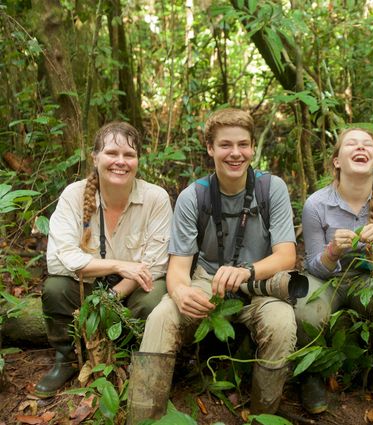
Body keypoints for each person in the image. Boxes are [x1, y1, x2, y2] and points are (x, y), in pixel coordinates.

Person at [132, 108, 297, 419]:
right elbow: (178, 270)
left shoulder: (270, 188)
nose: (235, 153)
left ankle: (264, 413)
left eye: (243, 144)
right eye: (225, 145)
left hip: (259, 283)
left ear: (252, 147)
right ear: (210, 148)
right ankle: (143, 416)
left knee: (282, 323)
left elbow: (287, 256)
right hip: (207, 280)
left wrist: (246, 271)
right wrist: (181, 293)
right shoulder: (194, 196)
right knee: (162, 316)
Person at [36, 121, 172, 398]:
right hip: (86, 284)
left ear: (137, 161)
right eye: (112, 153)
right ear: (95, 157)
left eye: (129, 155)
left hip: (130, 288)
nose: (120, 162)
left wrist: (113, 294)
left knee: (153, 296)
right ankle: (67, 358)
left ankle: (130, 356)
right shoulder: (74, 196)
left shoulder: (155, 198)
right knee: (55, 288)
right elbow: (64, 259)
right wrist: (119, 265)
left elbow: (156, 264)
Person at [294, 128, 373, 413]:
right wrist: (332, 251)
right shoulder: (316, 204)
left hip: (370, 278)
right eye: (351, 144)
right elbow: (313, 267)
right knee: (306, 310)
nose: (360, 148)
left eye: (366, 145)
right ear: (337, 161)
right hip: (328, 280)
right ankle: (312, 375)